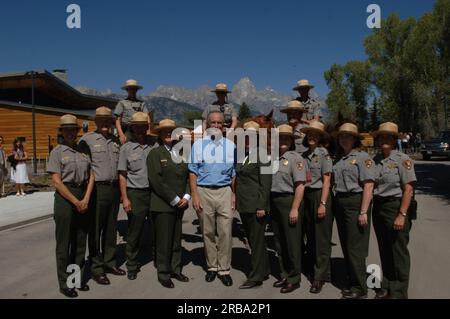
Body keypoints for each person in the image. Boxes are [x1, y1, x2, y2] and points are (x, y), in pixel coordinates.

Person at [47, 114, 95, 298]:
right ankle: (64, 283)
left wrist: (86, 198)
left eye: (72, 129)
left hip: (83, 194)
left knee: (80, 242)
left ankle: (75, 279)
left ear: (76, 131)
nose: (70, 132)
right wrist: (76, 202)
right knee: (64, 243)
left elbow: (92, 175)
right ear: (62, 131)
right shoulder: (57, 152)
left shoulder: (84, 151)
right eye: (66, 129)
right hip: (65, 198)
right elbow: (57, 182)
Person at [79, 106, 125, 285]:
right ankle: (97, 267)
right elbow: (83, 168)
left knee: (111, 228)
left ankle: (110, 262)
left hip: (113, 189)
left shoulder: (115, 141)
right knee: (95, 230)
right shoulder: (87, 140)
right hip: (97, 189)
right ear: (96, 122)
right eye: (102, 120)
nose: (105, 123)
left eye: (108, 120)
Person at [189, 111, 236, 287]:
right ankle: (212, 267)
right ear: (207, 125)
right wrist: (194, 195)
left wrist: (233, 194)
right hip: (204, 191)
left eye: (219, 123)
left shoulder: (231, 146)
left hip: (224, 191)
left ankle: (224, 269)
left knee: (225, 231)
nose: (216, 126)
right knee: (207, 231)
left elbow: (234, 174)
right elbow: (193, 171)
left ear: (224, 126)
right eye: (213, 123)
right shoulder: (198, 145)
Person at [372, 122, 416, 299]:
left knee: (398, 252)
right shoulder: (375, 160)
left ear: (394, 139)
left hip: (395, 206)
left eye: (389, 137)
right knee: (384, 249)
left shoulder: (403, 160)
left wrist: (402, 214)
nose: (385, 139)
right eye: (382, 136)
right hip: (379, 207)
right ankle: (387, 286)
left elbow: (409, 189)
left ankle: (399, 292)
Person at [332, 122, 375, 299]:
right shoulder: (340, 158)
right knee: (346, 244)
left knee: (356, 246)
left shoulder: (363, 157)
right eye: (341, 136)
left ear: (355, 139)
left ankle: (359, 288)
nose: (344, 138)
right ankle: (353, 280)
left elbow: (369, 185)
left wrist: (363, 211)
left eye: (348, 136)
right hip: (340, 201)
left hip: (356, 202)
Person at [147, 119, 191, 288]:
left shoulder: (181, 153)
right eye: (164, 131)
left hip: (180, 204)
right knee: (164, 240)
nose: (167, 133)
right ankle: (164, 272)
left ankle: (176, 268)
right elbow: (156, 181)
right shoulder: (155, 154)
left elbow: (188, 176)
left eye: (170, 131)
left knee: (175, 239)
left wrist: (186, 197)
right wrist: (174, 199)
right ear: (159, 134)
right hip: (163, 204)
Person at [270, 124, 307, 294]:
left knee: (292, 243)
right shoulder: (272, 158)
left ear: (292, 141)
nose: (283, 140)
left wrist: (294, 208)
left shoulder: (296, 158)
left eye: (287, 137)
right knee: (279, 241)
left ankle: (294, 278)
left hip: (288, 201)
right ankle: (284, 273)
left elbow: (300, 185)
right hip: (274, 201)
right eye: (281, 137)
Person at [235, 121, 272, 289]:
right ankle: (263, 270)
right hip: (244, 205)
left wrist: (262, 206)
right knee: (254, 240)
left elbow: (265, 183)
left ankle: (256, 276)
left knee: (256, 241)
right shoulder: (243, 155)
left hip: (256, 205)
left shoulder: (262, 155)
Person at [117, 112, 154, 281]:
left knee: (156, 228)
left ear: (147, 127)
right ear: (132, 127)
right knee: (135, 231)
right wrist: (125, 198)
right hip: (135, 193)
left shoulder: (154, 145)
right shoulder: (126, 148)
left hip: (154, 193)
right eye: (136, 126)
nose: (140, 129)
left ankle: (158, 258)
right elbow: (123, 175)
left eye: (143, 126)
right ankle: (132, 264)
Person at [300, 120, 333, 294]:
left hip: (320, 194)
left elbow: (327, 179)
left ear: (320, 137)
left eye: (315, 134)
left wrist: (323, 203)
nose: (311, 136)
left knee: (321, 238)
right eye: (309, 134)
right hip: (306, 196)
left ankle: (319, 277)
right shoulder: (304, 155)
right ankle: (315, 269)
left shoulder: (324, 154)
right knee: (311, 236)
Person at [114, 79, 152, 145]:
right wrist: (121, 134)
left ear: (136, 90)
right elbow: (117, 120)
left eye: (134, 89)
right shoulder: (122, 103)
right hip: (127, 129)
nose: (132, 91)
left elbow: (147, 117)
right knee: (125, 145)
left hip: (140, 128)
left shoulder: (141, 103)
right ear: (127, 90)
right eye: (130, 89)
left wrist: (148, 130)